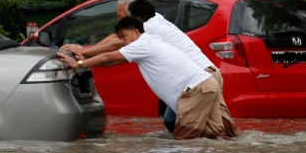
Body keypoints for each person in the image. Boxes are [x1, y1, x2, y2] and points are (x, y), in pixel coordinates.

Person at [60, 16, 238, 140]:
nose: (123, 41)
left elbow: (109, 57)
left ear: (136, 32)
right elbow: (113, 61)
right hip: (207, 83)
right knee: (218, 136)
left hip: (195, 90)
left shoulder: (141, 44)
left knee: (186, 140)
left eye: (124, 36)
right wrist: (87, 59)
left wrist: (79, 64)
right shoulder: (150, 40)